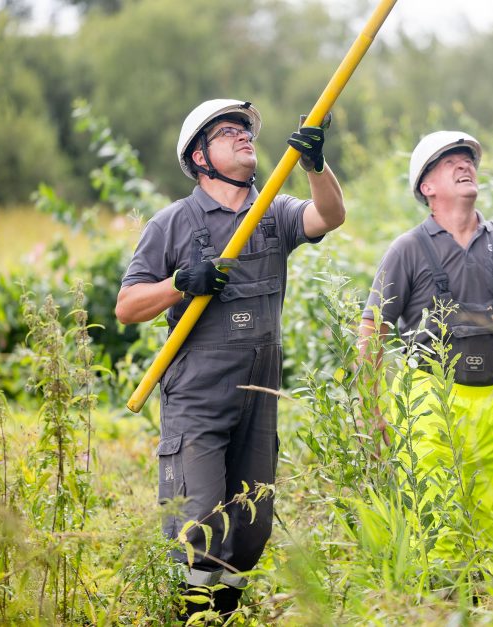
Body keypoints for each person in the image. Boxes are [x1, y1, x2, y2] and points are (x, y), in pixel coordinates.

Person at [115, 99, 344, 615]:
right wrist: (180, 283)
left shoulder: (273, 213)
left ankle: (225, 616)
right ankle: (192, 615)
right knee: (200, 521)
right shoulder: (171, 224)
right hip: (197, 397)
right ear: (199, 156)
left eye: (247, 130)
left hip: (258, 399)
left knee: (252, 526)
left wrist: (315, 165)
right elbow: (127, 306)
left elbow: (330, 214)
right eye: (228, 131)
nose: (244, 136)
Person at [358, 131, 493, 559]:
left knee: (488, 518)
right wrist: (373, 411)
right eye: (449, 161)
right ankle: (436, 607)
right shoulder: (407, 250)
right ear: (426, 187)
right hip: (429, 400)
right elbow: (372, 333)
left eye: (467, 158)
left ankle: (485, 603)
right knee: (436, 521)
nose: (465, 164)